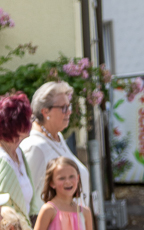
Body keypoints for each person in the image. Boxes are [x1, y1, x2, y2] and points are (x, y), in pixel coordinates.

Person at [21, 81, 91, 209]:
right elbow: (25, 200)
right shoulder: (34, 146)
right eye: (63, 108)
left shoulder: (57, 138)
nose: (69, 112)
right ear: (45, 112)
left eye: (69, 107)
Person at [0, 93, 42, 230]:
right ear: (14, 123)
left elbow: (30, 204)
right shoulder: (2, 159)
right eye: (28, 119)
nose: (32, 122)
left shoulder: (19, 152)